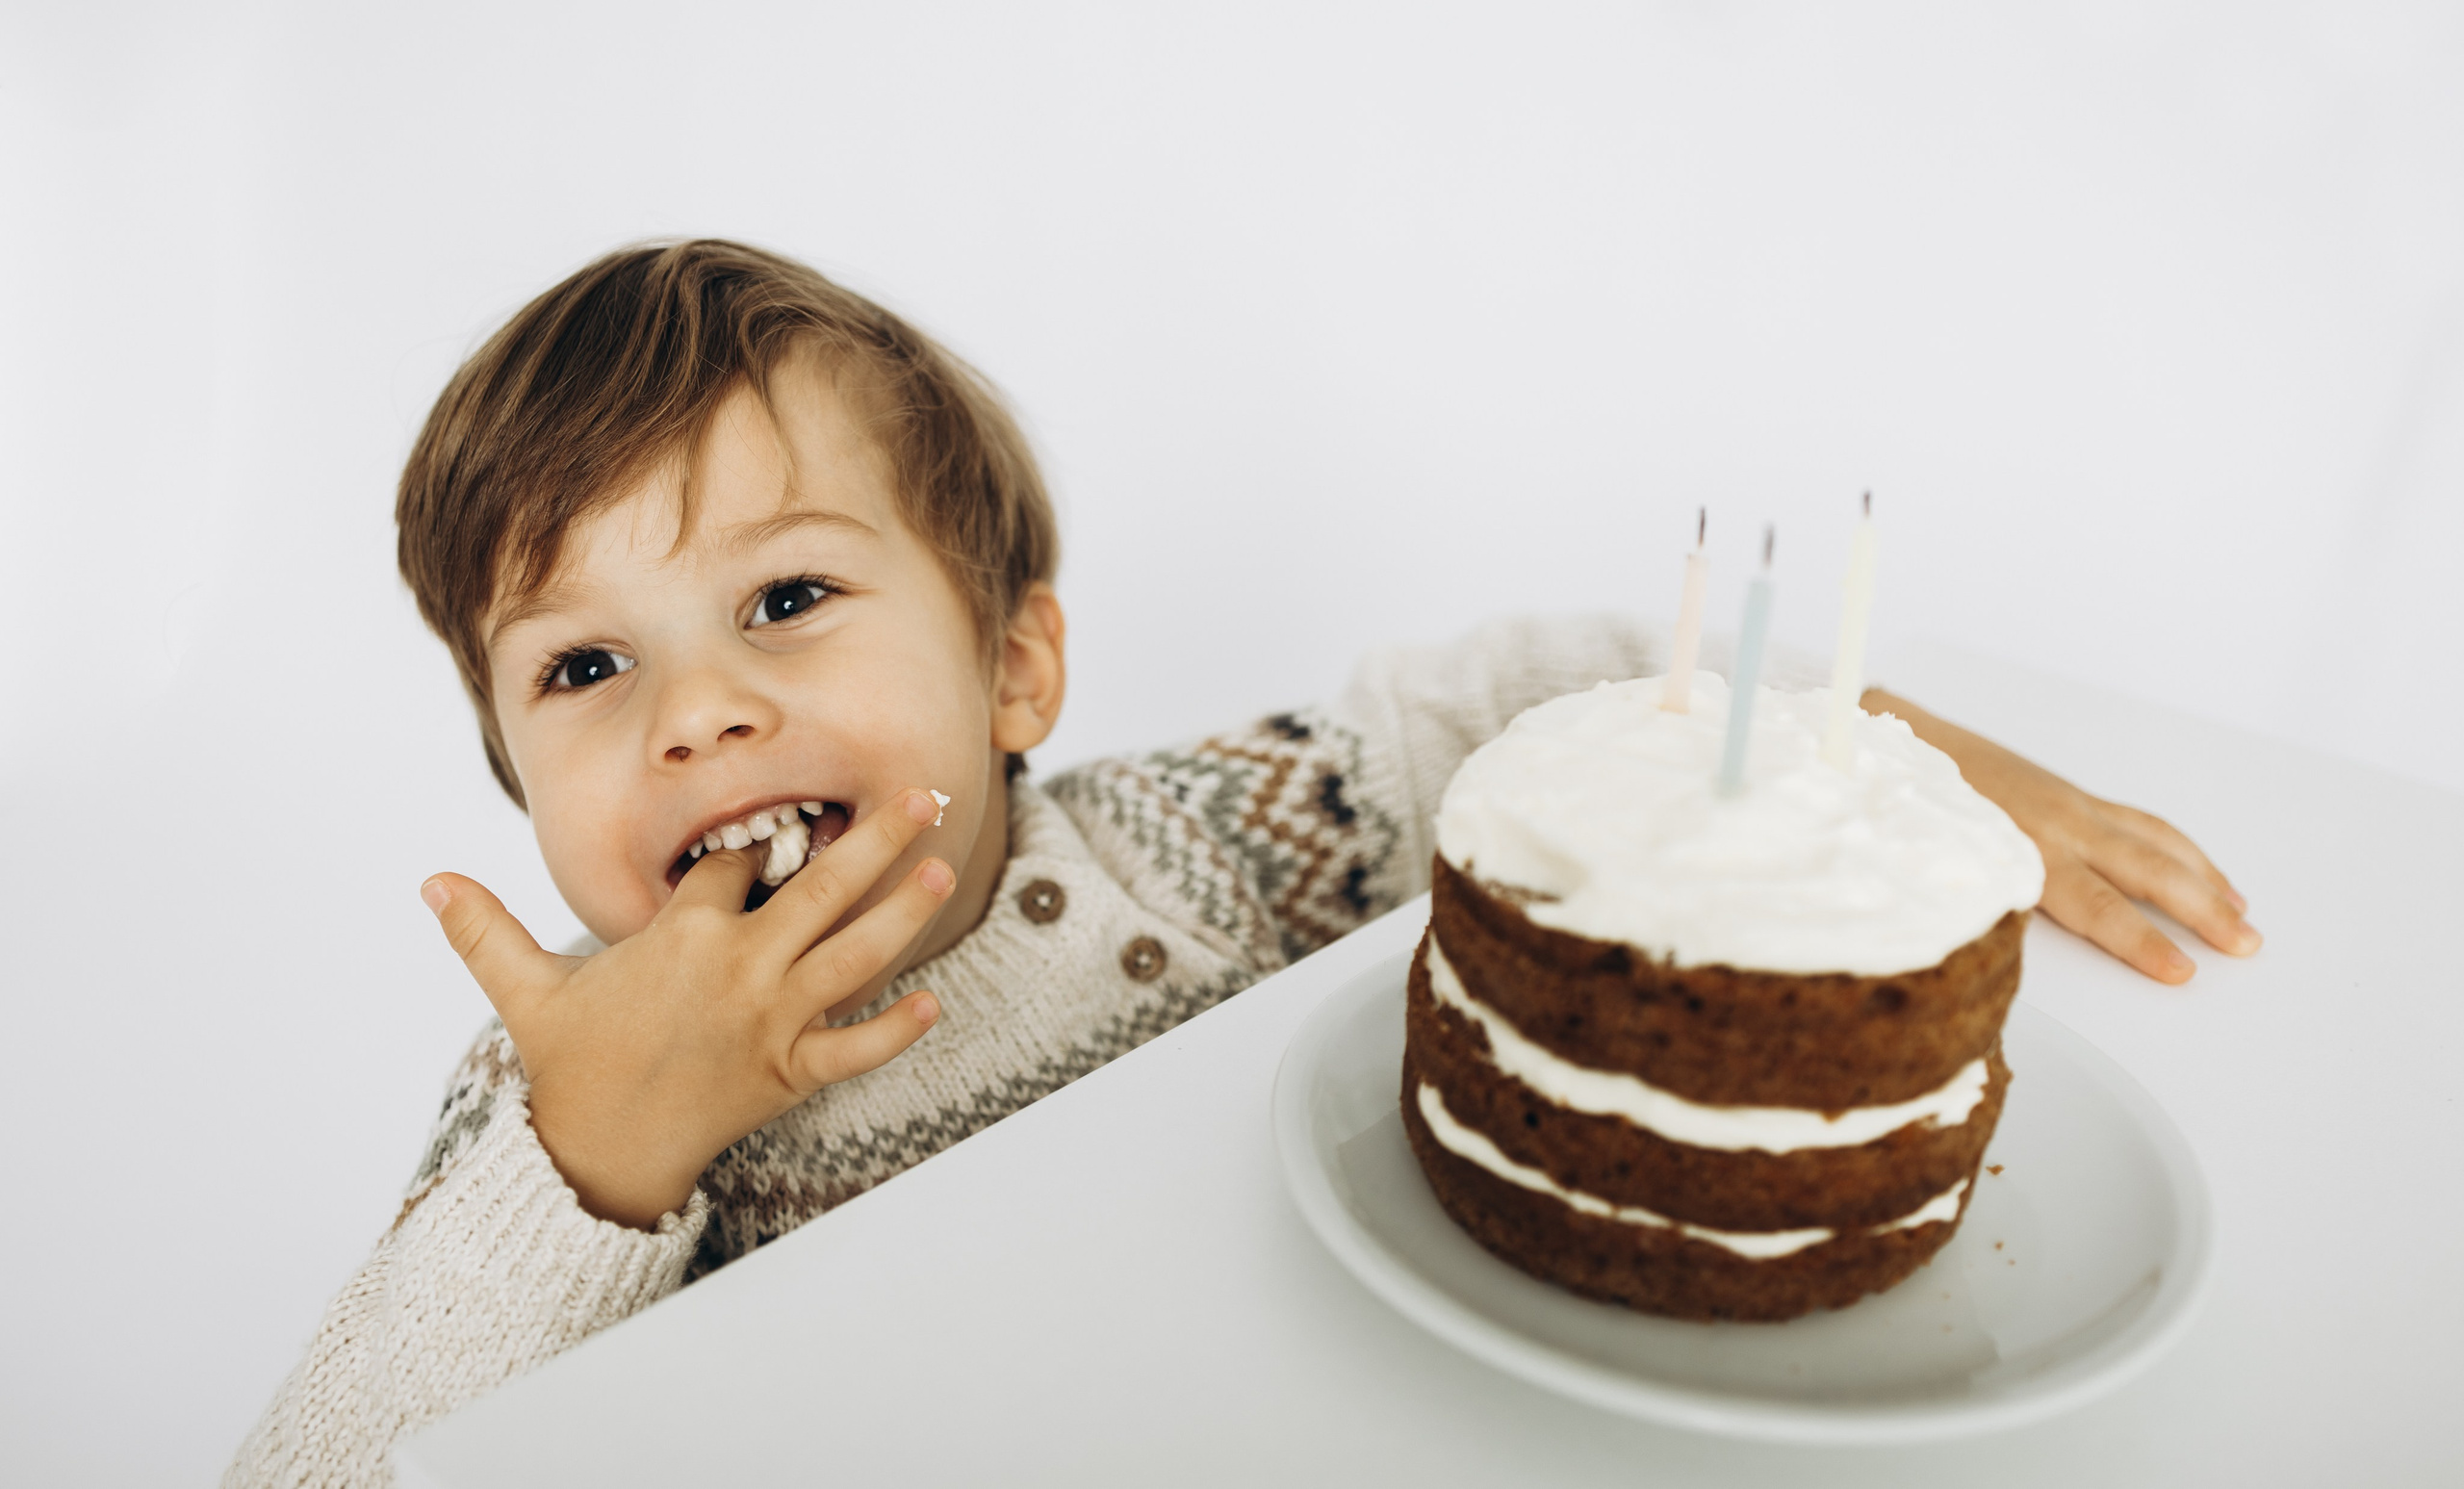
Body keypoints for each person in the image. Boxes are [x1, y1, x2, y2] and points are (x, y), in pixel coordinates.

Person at [226, 239, 2259, 1485]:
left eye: (784, 599)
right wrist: (588, 1170)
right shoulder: (553, 1110)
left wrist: (1865, 740)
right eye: (584, 666)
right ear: (515, 778)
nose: (695, 714)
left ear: (1015, 660)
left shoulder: (1201, 847)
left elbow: (1534, 685)